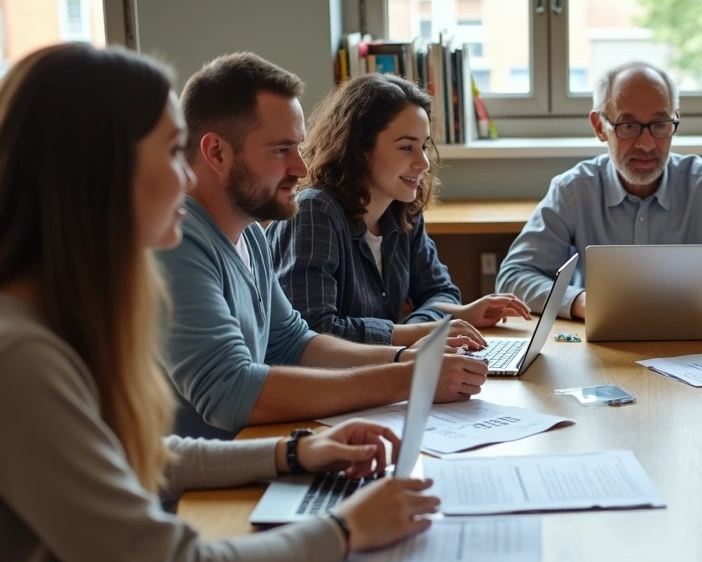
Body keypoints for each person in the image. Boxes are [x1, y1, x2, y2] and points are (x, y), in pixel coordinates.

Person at [0, 44, 441, 562]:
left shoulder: (58, 321)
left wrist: (293, 452)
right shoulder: (21, 357)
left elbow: (140, 454)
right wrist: (346, 528)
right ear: (99, 169)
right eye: (167, 151)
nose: (186, 177)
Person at [159, 53, 488, 440]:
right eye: (281, 150)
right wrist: (409, 377)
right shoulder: (174, 243)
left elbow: (294, 343)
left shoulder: (248, 234)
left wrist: (406, 359)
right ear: (216, 152)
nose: (301, 167)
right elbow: (230, 394)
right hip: (198, 493)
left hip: (254, 454)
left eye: (298, 147)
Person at [267, 73, 529, 346]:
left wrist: (427, 328)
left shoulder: (403, 209)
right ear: (360, 150)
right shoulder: (314, 212)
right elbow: (314, 333)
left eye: (424, 146)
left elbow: (441, 292)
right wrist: (423, 332)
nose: (424, 162)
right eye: (406, 147)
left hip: (384, 372)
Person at [495, 60, 702, 319]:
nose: (646, 144)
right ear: (600, 127)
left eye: (660, 125)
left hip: (695, 351)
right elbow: (514, 277)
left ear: (676, 121)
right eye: (628, 126)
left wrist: (650, 305)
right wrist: (579, 302)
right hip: (596, 347)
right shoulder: (574, 191)